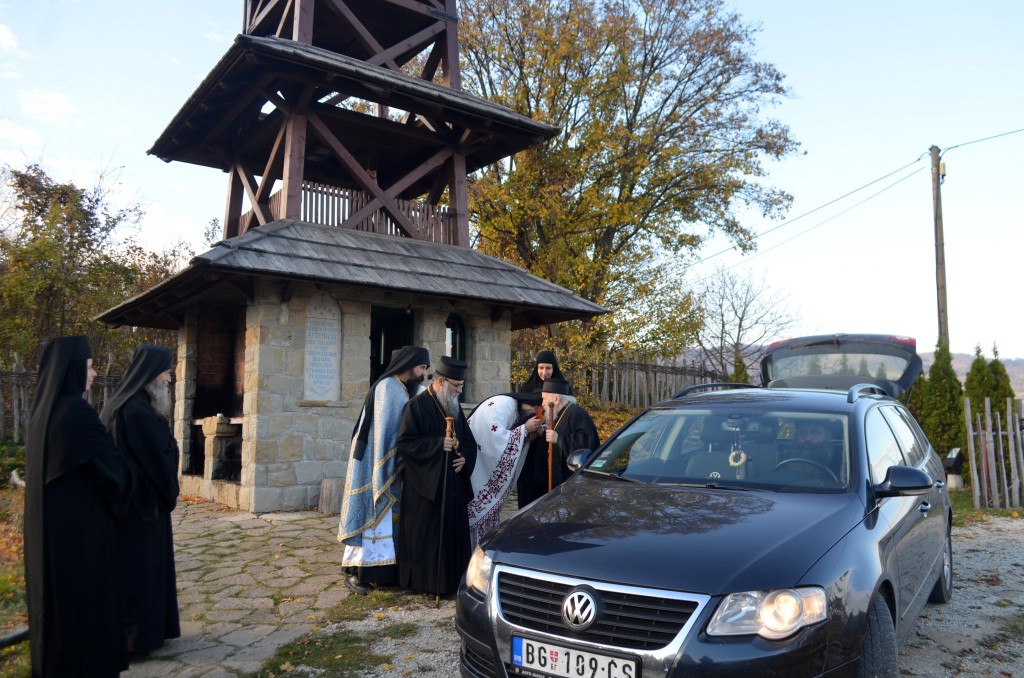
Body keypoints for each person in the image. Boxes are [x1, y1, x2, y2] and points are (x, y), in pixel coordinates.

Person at [24, 336, 135, 677]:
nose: (94, 373)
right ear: (71, 370)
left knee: (57, 607)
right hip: (81, 532)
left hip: (49, 531)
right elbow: (114, 470)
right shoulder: (76, 412)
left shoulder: (42, 413)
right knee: (85, 606)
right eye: (88, 366)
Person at [99, 344, 181, 656]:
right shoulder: (135, 411)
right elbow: (157, 458)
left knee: (141, 571)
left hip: (134, 504)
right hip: (140, 508)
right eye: (165, 372)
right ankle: (139, 638)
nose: (169, 378)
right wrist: (172, 450)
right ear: (150, 374)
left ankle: (147, 632)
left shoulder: (126, 403)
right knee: (142, 572)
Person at [338, 346, 430, 595]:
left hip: (387, 462)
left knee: (386, 520)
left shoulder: (400, 387)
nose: (423, 373)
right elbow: (386, 433)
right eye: (421, 367)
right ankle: (358, 573)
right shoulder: (388, 387)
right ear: (409, 365)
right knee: (372, 516)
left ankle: (383, 573)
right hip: (375, 462)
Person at [396, 356, 478, 596]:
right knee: (428, 536)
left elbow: (469, 441)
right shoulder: (416, 406)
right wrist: (436, 444)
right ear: (441, 382)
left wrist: (465, 458)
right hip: (426, 486)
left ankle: (454, 581)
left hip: (453, 483)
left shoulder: (453, 406)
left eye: (462, 386)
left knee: (453, 534)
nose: (460, 391)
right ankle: (428, 584)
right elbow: (406, 443)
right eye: (457, 386)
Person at [466, 390, 545, 544]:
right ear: (534, 407)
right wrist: (524, 430)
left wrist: (526, 436)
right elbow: (492, 440)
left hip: (483, 468)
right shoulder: (502, 405)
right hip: (477, 468)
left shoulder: (516, 411)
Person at [516, 350, 573, 508]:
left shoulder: (562, 390)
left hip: (552, 448)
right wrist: (528, 425)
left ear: (554, 368)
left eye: (548, 368)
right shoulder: (526, 390)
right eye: (541, 368)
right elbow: (518, 417)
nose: (544, 372)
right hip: (530, 450)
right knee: (528, 491)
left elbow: (567, 418)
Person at [541, 377, 601, 490]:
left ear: (556, 399)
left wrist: (558, 439)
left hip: (573, 482)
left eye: (544, 399)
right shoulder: (561, 414)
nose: (542, 404)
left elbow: (585, 445)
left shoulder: (577, 413)